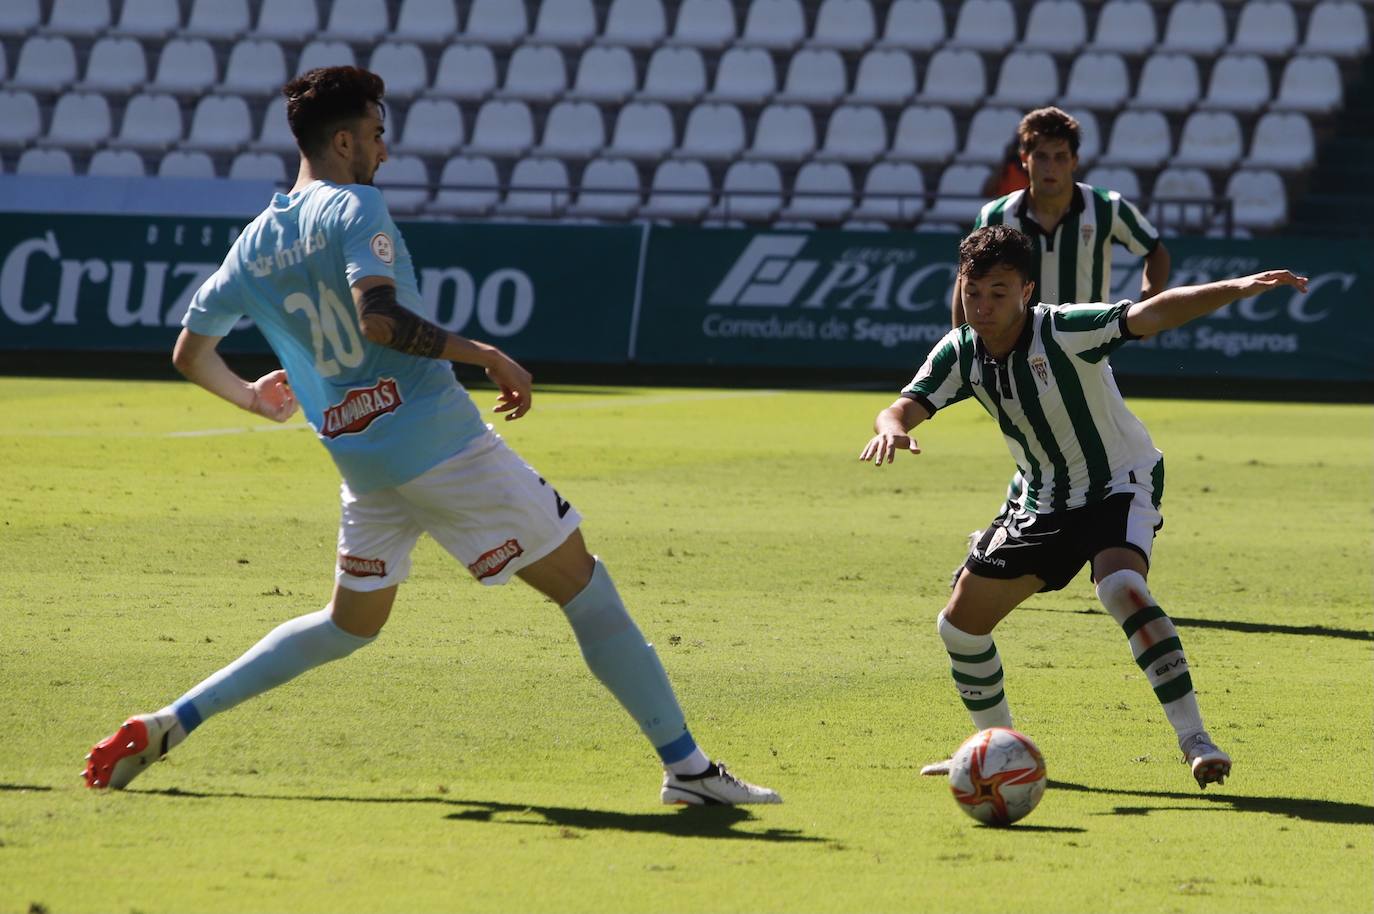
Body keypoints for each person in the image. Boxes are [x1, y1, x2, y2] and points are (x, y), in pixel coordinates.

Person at [83, 67, 780, 807]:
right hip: (441, 445)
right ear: (345, 139)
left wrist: (252, 398)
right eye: (378, 136)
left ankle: (171, 721)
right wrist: (485, 354)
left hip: (364, 465)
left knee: (349, 625)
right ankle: (689, 770)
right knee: (586, 588)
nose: (384, 152)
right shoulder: (354, 207)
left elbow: (189, 352)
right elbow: (378, 318)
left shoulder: (254, 243)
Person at [861, 225, 1307, 789]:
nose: (982, 305)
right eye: (974, 291)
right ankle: (1000, 751)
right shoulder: (961, 352)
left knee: (1121, 587)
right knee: (960, 629)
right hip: (1042, 501)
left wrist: (1237, 286)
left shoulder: (1064, 328)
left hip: (1117, 482)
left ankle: (1196, 739)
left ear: (1026, 291)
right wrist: (893, 430)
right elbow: (900, 407)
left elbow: (1153, 313)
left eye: (998, 292)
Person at [951, 107, 1173, 584]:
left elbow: (1154, 247)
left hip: (1082, 348)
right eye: (1040, 156)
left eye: (1059, 156)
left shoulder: (1106, 208)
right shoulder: (997, 214)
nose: (1049, 166)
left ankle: (1022, 535)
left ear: (1074, 161)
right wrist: (966, 341)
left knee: (1063, 446)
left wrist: (1151, 296)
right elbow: (968, 276)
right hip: (1014, 348)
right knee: (1052, 447)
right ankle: (1100, 531)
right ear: (1024, 160)